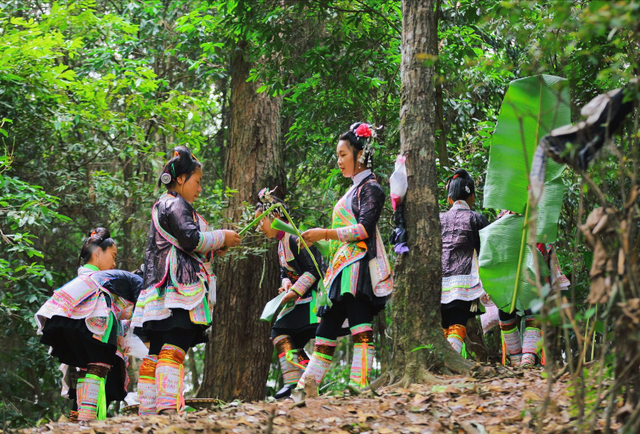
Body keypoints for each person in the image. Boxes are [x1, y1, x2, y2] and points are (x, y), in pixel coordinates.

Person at [132, 146, 241, 415]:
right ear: (181, 179)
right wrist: (221, 237)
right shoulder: (175, 202)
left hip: (158, 291)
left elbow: (188, 243)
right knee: (175, 344)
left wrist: (214, 247)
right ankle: (167, 410)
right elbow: (191, 239)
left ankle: (148, 412)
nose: (199, 188)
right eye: (198, 181)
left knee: (155, 351)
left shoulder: (163, 204)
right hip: (177, 289)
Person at [298, 122, 393, 391]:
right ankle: (305, 388)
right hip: (340, 271)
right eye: (338, 155)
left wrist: (324, 234)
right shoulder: (352, 190)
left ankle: (358, 386)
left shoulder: (371, 188)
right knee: (324, 332)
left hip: (359, 268)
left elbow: (363, 229)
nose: (338, 161)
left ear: (360, 154)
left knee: (361, 327)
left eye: (343, 155)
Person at [36, 260, 143, 422]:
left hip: (63, 309)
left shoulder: (118, 280)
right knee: (99, 362)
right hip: (91, 306)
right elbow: (143, 317)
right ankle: (86, 419)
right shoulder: (140, 283)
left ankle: (82, 420)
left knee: (87, 366)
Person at [255, 188, 323, 399]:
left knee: (279, 331)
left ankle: (298, 381)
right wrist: (286, 284)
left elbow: (315, 270)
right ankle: (304, 381)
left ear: (275, 217)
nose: (259, 228)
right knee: (285, 336)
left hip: (314, 300)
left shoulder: (294, 237)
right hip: (301, 299)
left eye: (261, 222)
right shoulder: (280, 244)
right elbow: (286, 271)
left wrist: (294, 291)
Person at [440, 169, 489, 354]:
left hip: (439, 283)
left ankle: (446, 364)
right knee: (457, 325)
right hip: (464, 284)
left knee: (444, 326)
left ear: (449, 198)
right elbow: (486, 251)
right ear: (472, 197)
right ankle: (451, 365)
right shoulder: (477, 218)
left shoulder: (439, 219)